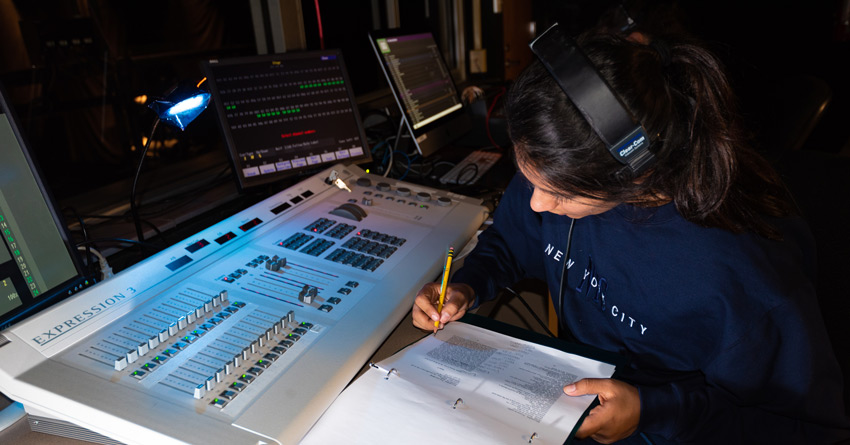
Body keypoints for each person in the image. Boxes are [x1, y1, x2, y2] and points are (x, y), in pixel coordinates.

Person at [411, 30, 850, 444]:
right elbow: (510, 241)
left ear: (636, 175)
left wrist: (651, 410)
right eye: (530, 180)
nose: (537, 204)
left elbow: (803, 429)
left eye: (560, 193)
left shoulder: (744, 280)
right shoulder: (561, 169)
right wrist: (468, 284)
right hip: (572, 398)